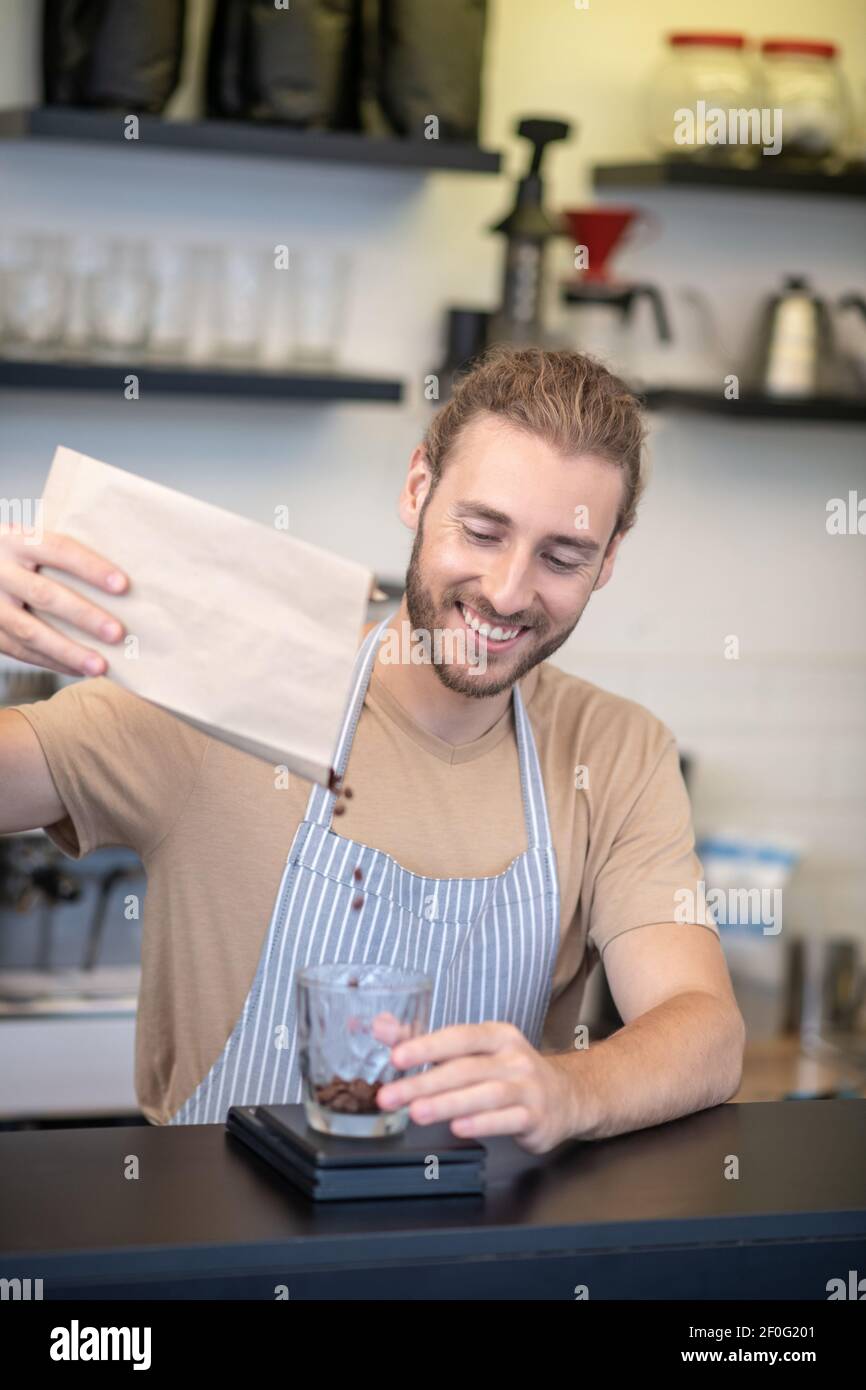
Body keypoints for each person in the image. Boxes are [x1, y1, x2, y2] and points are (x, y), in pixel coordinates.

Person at [0, 346, 744, 1150]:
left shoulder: (616, 749)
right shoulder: (227, 693)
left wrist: (569, 1087)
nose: (505, 591)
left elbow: (705, 1030)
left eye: (562, 557)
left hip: (477, 1253)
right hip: (219, 1248)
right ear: (419, 487)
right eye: (483, 530)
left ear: (608, 560)